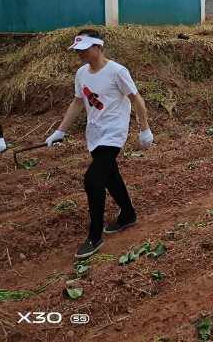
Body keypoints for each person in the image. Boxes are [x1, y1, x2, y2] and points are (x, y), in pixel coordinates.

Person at [45, 30, 153, 259]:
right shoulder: (81, 73)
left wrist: (144, 129)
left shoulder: (117, 71)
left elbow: (137, 100)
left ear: (98, 47)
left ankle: (94, 236)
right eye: (78, 50)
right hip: (94, 134)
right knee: (109, 175)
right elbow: (77, 103)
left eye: (84, 49)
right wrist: (59, 131)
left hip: (114, 133)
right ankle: (128, 214)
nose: (80, 54)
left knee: (93, 179)